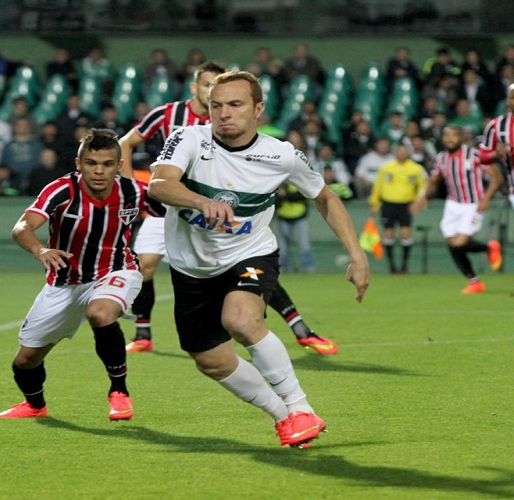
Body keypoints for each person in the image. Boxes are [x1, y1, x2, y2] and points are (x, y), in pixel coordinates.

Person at [148, 70, 369, 447]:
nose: (224, 114)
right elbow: (160, 184)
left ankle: (300, 407)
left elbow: (324, 197)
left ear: (258, 108)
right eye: (216, 106)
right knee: (210, 361)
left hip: (249, 254)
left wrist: (357, 254)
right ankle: (284, 417)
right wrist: (202, 201)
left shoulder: (281, 154)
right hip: (190, 268)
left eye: (235, 104)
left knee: (240, 319)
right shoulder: (188, 138)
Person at [119, 61, 338, 355]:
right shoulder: (169, 117)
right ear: (195, 88)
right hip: (171, 206)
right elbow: (125, 143)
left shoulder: (230, 124)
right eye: (207, 86)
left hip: (219, 208)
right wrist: (133, 191)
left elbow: (323, 195)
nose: (221, 104)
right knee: (145, 265)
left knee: (248, 262)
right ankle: (143, 333)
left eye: (228, 98)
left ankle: (300, 328)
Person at [0, 129, 165, 420]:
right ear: (78, 163)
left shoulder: (134, 191)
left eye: (107, 164)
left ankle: (119, 392)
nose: (99, 171)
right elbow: (22, 226)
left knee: (100, 313)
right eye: (91, 163)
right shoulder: (61, 190)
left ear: (119, 165)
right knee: (25, 361)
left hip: (116, 269)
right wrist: (40, 249)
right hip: (64, 283)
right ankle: (35, 405)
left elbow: (173, 211)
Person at [411, 126, 503, 294]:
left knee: (460, 243)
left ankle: (489, 248)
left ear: (461, 137)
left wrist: (486, 198)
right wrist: (423, 197)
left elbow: (496, 177)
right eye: (446, 136)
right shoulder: (441, 158)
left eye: (453, 136)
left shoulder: (474, 155)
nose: (449, 139)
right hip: (453, 205)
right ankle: (474, 281)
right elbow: (434, 180)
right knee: (453, 244)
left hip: (473, 204)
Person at [369, 143, 428, 274]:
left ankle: (404, 266)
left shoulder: (416, 169)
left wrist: (418, 202)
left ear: (408, 153)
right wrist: (374, 203)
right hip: (388, 204)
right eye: (399, 151)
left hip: (406, 205)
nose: (401, 153)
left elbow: (423, 187)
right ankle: (392, 266)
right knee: (388, 234)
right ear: (395, 152)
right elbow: (378, 186)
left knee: (405, 233)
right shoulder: (386, 167)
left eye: (404, 151)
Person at [478, 83, 514, 211]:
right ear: (508, 100)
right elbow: (482, 157)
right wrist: (496, 154)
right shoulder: (496, 126)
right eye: (513, 98)